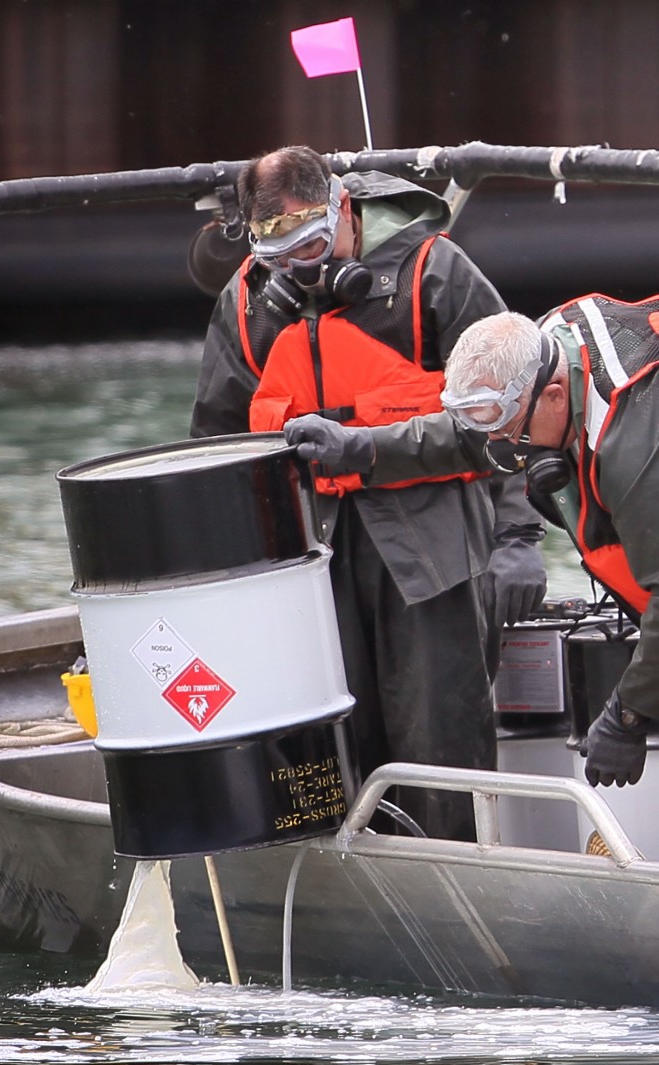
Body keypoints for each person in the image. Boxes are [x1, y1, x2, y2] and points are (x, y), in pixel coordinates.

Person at [285, 296, 659, 871]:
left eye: (508, 431)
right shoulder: (548, 345)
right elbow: (473, 432)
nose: (502, 450)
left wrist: (626, 716)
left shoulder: (636, 444)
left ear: (554, 396)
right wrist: (364, 447)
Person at [191, 145, 547, 841]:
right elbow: (216, 445)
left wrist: (519, 537)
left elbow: (520, 410)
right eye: (280, 257)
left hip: (432, 550)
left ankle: (456, 892)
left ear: (344, 211)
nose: (303, 269)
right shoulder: (246, 304)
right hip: (312, 558)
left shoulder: (434, 273)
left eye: (315, 245)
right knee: (332, 751)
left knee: (442, 743)